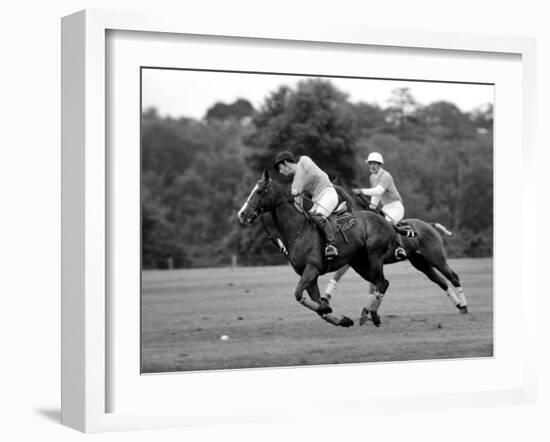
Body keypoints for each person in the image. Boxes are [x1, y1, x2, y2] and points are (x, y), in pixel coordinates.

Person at [274, 151, 339, 260]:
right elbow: (298, 206)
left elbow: (313, 174)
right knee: (308, 221)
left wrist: (300, 189)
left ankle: (331, 246)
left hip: (328, 193)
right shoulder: (294, 184)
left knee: (317, 216)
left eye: (280, 168)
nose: (281, 172)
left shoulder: (303, 161)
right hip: (318, 200)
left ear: (285, 163)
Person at [351, 152, 407, 260]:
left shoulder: (386, 176)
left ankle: (400, 248)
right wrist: (372, 207)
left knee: (388, 224)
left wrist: (361, 191)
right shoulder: (373, 177)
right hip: (385, 207)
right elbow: (376, 196)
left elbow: (378, 191)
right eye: (370, 163)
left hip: (396, 207)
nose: (372, 166)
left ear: (380, 165)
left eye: (375, 163)